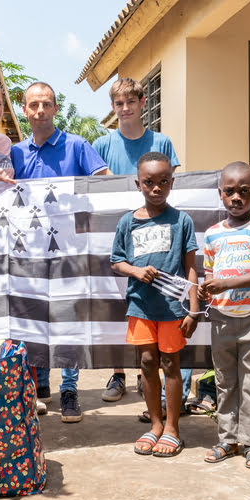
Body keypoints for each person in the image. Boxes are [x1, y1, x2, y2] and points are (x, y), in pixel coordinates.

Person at [11, 81, 109, 423]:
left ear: (55, 108)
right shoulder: (16, 153)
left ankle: (69, 389)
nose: (40, 111)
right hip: (29, 255)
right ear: (25, 110)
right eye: (33, 105)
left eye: (46, 104)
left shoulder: (78, 146)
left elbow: (106, 183)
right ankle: (39, 386)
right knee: (33, 319)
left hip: (70, 252)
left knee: (68, 320)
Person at [91, 77, 187, 405]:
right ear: (113, 107)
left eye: (130, 102)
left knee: (150, 302)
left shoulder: (161, 141)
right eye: (118, 104)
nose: (125, 109)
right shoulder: (102, 145)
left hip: (157, 233)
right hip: (120, 233)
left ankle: (146, 373)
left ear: (143, 102)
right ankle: (118, 373)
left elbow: (176, 184)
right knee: (120, 303)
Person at [111, 152, 199, 457]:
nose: (156, 188)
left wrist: (194, 308)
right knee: (147, 362)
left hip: (172, 308)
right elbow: (116, 261)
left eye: (163, 182)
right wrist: (136, 270)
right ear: (139, 184)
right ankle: (156, 425)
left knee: (170, 364)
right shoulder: (127, 222)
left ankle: (173, 428)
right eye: (149, 182)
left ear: (171, 183)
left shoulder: (181, 220)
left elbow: (191, 268)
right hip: (140, 306)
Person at [199, 162, 250, 468]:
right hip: (221, 320)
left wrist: (227, 283)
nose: (236, 198)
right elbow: (210, 276)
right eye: (229, 191)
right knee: (225, 381)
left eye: (244, 191)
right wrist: (209, 291)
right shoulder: (213, 234)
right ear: (220, 194)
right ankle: (227, 439)